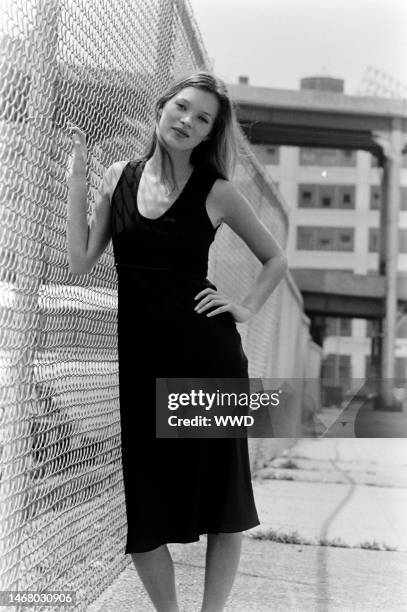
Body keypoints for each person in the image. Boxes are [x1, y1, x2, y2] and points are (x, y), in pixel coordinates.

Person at [67, 71, 287, 612]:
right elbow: (80, 259)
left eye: (203, 118)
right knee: (145, 514)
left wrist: (246, 306)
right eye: (182, 108)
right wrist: (77, 184)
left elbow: (275, 258)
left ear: (211, 133)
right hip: (141, 363)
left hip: (207, 358)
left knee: (222, 503)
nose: (187, 120)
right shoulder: (120, 176)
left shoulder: (217, 192)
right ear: (162, 107)